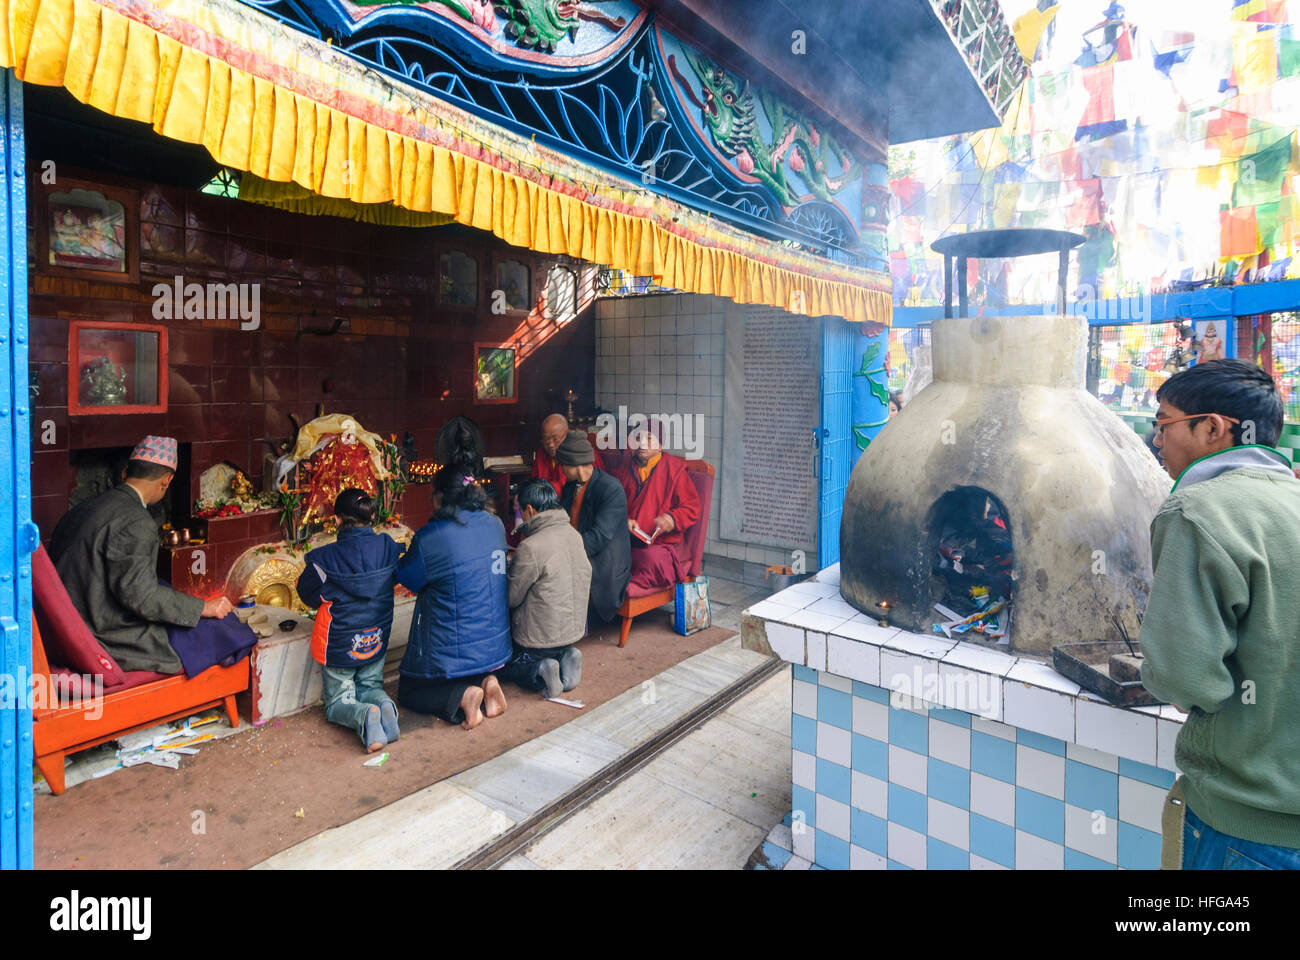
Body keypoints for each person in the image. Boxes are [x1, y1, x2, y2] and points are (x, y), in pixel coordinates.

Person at [1140, 359, 1300, 869]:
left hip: (1243, 826)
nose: (1156, 440)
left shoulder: (1196, 511)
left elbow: (1184, 679)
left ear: (1212, 427)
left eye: (1163, 424)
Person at [48, 435, 250, 675]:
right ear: (167, 481)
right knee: (222, 628)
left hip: (67, 627)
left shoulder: (81, 509)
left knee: (174, 599)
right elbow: (141, 599)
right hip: (103, 634)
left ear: (125, 473)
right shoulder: (137, 522)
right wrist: (201, 607)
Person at [396, 427, 510, 730]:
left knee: (408, 689)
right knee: (467, 660)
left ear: (441, 498)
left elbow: (408, 579)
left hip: (453, 653)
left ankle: (465, 697)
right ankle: (487, 682)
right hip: (496, 648)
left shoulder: (432, 536)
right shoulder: (496, 524)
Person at [295, 489, 403, 753]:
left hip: (340, 643)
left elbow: (306, 593)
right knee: (369, 685)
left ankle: (365, 717)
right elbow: (396, 578)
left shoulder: (325, 558)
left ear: (338, 521)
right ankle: (385, 707)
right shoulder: (388, 547)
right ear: (373, 516)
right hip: (377, 635)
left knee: (337, 702)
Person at [499, 478, 591, 698]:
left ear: (529, 510)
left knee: (503, 664)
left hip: (538, 640)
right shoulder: (573, 534)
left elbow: (511, 598)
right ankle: (567, 655)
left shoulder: (531, 546)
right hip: (572, 631)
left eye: (520, 511)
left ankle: (540, 670)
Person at [610, 426, 701, 597]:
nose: (642, 443)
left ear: (660, 446)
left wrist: (672, 518)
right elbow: (612, 501)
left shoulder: (675, 471)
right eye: (638, 438)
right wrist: (622, 520)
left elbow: (691, 508)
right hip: (628, 539)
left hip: (661, 544)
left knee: (650, 560)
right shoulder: (626, 468)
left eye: (649, 438)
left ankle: (621, 580)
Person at [556, 431, 630, 625]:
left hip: (604, 559)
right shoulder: (570, 486)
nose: (561, 469)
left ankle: (564, 626)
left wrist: (565, 553)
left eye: (563, 464)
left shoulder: (611, 488)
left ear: (575, 464)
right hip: (578, 549)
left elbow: (599, 536)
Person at [531, 413, 603, 496]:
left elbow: (582, 488)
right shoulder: (542, 453)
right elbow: (534, 481)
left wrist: (536, 493)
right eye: (546, 440)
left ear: (567, 434)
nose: (551, 444)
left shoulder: (582, 453)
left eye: (556, 439)